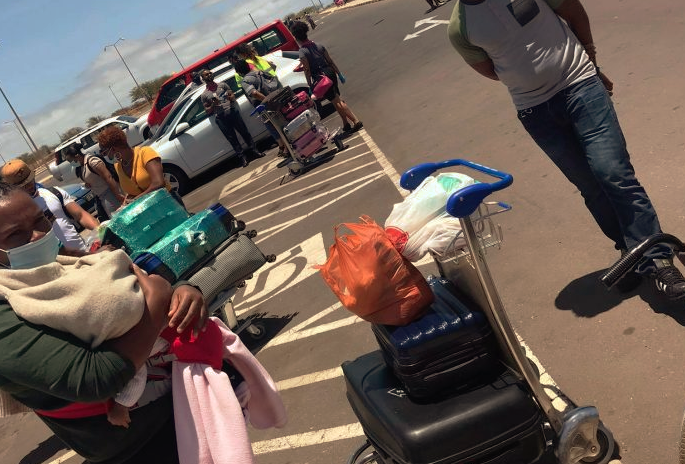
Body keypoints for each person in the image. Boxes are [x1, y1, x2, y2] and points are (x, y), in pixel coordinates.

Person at [448, 0, 685, 299]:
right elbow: (492, 70)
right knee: (590, 186)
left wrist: (590, 59)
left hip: (581, 86)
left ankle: (658, 261)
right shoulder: (460, 28)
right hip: (535, 112)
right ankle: (630, 250)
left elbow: (573, 11)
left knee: (613, 173)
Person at [0, 182, 208, 463]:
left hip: (185, 401)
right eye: (14, 235)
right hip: (135, 444)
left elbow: (127, 278)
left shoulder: (61, 261)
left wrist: (182, 288)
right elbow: (96, 378)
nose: (38, 236)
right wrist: (157, 300)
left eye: (41, 220)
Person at [0, 159, 98, 253]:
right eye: (23, 185)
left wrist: (101, 231)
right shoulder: (13, 213)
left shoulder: (54, 192)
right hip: (59, 265)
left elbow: (80, 215)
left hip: (83, 251)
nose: (29, 186)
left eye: (29, 181)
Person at [291, 21, 363, 133]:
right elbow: (330, 61)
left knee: (337, 102)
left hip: (322, 78)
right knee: (336, 99)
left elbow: (307, 70)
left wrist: (310, 86)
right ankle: (346, 124)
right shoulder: (319, 45)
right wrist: (339, 74)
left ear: (296, 37)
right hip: (330, 73)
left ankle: (356, 121)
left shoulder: (302, 51)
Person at [97, 126, 178, 204]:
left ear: (114, 149)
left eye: (105, 153)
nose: (106, 156)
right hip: (150, 210)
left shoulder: (145, 153)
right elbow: (133, 192)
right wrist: (128, 200)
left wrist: (136, 200)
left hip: (169, 202)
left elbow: (159, 183)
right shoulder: (118, 167)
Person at [200, 69, 265, 168]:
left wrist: (229, 97)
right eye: (206, 75)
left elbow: (233, 96)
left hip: (232, 111)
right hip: (221, 118)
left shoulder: (222, 85)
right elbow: (207, 110)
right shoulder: (204, 95)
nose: (209, 75)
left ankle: (255, 151)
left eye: (210, 73)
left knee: (244, 132)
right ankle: (243, 158)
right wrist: (213, 105)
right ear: (203, 78)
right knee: (232, 139)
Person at [234, 59, 291, 158]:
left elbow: (254, 93)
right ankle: (284, 146)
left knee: (273, 126)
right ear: (248, 66)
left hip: (265, 106)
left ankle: (285, 147)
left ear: (239, 72)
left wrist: (267, 100)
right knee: (282, 122)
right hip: (277, 100)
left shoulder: (245, 81)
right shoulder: (260, 71)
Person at [64, 143, 124, 219]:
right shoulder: (81, 167)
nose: (71, 163)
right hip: (100, 196)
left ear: (77, 156)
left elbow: (108, 177)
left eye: (70, 160)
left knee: (118, 217)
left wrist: (118, 195)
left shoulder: (92, 162)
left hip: (110, 193)